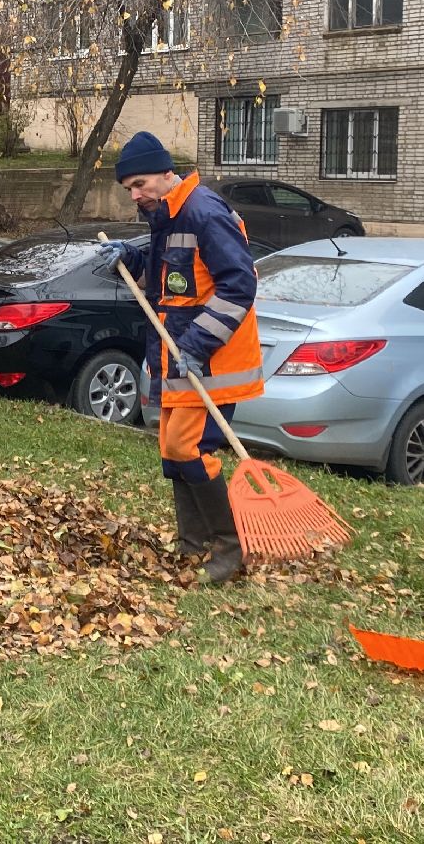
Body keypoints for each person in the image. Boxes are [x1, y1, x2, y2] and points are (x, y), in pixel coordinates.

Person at [102, 131, 262, 584]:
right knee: (172, 452)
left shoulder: (204, 212)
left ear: (166, 173)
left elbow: (238, 289)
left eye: (140, 184)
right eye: (128, 188)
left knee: (190, 448)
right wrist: (132, 257)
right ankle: (193, 544)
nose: (135, 195)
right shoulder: (167, 214)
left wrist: (194, 347)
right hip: (177, 359)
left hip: (212, 361)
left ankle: (229, 549)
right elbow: (171, 274)